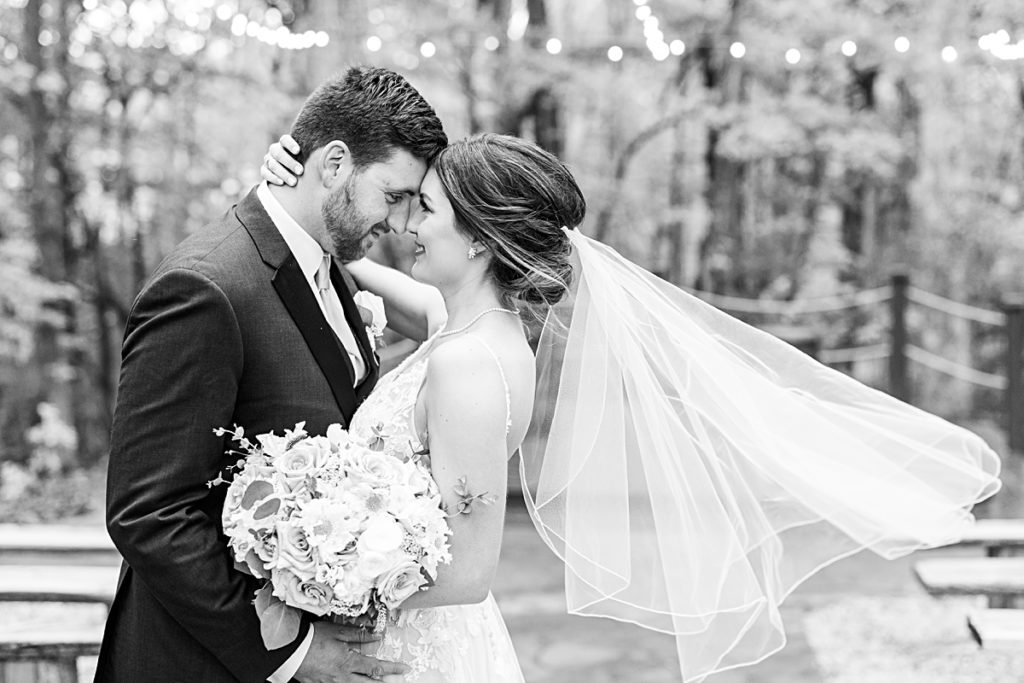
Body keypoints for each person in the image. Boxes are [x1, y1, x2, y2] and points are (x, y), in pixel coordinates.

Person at [259, 131, 1002, 683]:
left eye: (425, 210)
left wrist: (316, 575)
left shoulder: (465, 367)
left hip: (412, 651)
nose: (407, 227)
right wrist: (302, 215)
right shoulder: (479, 330)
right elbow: (413, 296)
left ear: (481, 239)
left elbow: (473, 568)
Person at [97, 66, 447, 683]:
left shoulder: (330, 268)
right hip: (193, 663)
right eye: (393, 196)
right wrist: (291, 654)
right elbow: (149, 511)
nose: (399, 223)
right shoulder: (204, 289)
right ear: (334, 164)